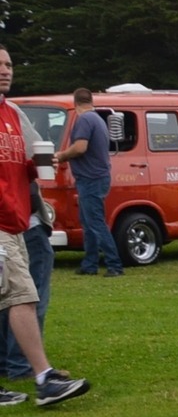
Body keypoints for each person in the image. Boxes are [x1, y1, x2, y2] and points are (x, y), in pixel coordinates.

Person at [0, 45, 90, 408]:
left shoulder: (10, 113)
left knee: (16, 295)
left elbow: (21, 164)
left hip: (16, 220)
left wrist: (40, 163)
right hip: (2, 224)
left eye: (8, 64)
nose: (5, 70)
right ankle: (44, 378)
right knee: (22, 294)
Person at [52, 87, 121, 277]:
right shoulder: (98, 119)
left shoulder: (84, 120)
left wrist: (61, 156)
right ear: (91, 101)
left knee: (96, 222)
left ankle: (114, 264)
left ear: (75, 103)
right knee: (88, 222)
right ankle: (89, 264)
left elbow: (80, 147)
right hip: (97, 176)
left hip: (91, 178)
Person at [0, 182, 55, 381]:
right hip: (22, 226)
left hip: (15, 226)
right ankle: (21, 365)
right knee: (27, 298)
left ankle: (8, 362)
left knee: (8, 295)